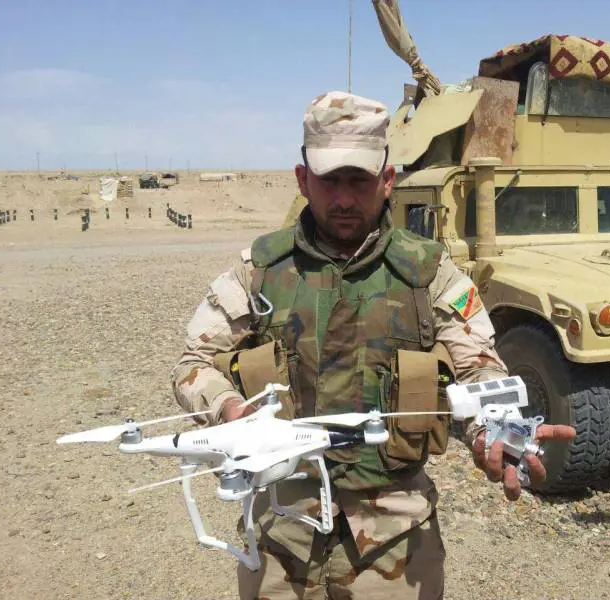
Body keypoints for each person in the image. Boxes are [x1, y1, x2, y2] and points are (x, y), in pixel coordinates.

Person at [171, 90, 576, 600]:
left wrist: (493, 430)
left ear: (387, 180)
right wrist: (230, 408)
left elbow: (479, 368)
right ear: (302, 179)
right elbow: (193, 364)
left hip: (395, 538)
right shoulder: (260, 272)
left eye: (359, 180)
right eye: (329, 180)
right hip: (280, 530)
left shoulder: (429, 273)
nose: (343, 199)